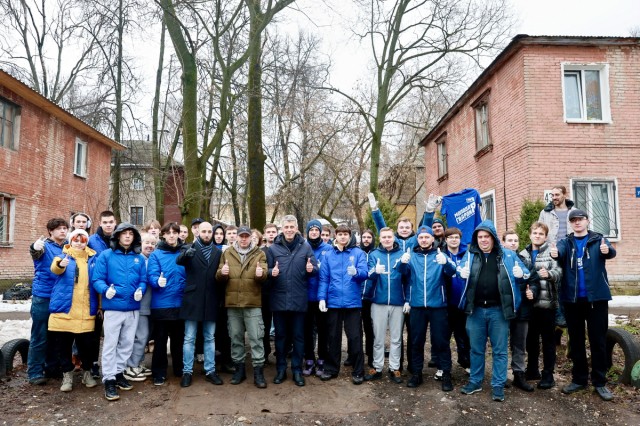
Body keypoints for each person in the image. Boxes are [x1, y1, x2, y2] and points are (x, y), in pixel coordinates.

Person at [458, 220, 528, 402]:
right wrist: (460, 272)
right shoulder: (471, 254)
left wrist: (522, 275)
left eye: (486, 236)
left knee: (500, 350)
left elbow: (526, 273)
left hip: (499, 311)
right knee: (476, 349)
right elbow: (460, 271)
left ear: (493, 238)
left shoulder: (508, 255)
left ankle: (498, 385)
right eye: (480, 237)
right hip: (476, 310)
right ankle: (475, 381)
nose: (483, 240)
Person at [550, 209, 616, 401]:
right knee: (577, 342)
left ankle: (600, 382)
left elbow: (610, 251)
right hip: (572, 301)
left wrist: (608, 251)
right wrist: (555, 253)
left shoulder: (598, 239)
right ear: (570, 223)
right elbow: (558, 252)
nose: (577, 222)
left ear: (587, 221)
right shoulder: (566, 242)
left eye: (580, 219)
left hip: (597, 300)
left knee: (598, 341)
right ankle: (579, 379)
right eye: (574, 220)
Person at [91, 223, 147, 401]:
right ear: (117, 236)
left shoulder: (138, 258)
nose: (128, 237)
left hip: (132, 308)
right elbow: (97, 278)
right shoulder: (106, 256)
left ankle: (118, 372)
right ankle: (108, 379)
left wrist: (141, 290)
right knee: (110, 344)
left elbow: (143, 280)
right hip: (113, 308)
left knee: (127, 344)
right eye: (124, 234)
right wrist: (105, 289)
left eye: (131, 234)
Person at [400, 226, 456, 391]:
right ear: (418, 239)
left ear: (433, 239)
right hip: (417, 306)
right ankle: (417, 373)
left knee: (441, 342)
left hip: (438, 306)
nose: (424, 240)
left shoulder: (440, 255)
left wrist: (446, 263)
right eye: (421, 237)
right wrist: (402, 262)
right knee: (416, 342)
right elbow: (402, 274)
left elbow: (453, 272)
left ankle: (446, 374)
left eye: (427, 237)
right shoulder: (412, 256)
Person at [267, 215, 317, 386]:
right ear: (282, 229)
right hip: (279, 300)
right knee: (280, 337)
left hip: (298, 300)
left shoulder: (305, 247)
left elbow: (315, 268)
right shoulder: (273, 249)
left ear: (296, 228)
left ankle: (296, 370)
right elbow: (266, 272)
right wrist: (269, 273)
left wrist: (311, 269)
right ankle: (281, 370)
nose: (289, 230)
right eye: (286, 227)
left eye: (292, 227)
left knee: (298, 337)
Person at [217, 226, 268, 388]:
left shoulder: (259, 253)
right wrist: (222, 273)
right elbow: (218, 276)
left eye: (247, 236)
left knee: (256, 338)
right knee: (236, 338)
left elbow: (265, 274)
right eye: (241, 236)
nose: (244, 239)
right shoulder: (227, 253)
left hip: (252, 303)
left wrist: (262, 275)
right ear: (237, 237)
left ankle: (258, 372)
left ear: (251, 238)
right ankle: (239, 370)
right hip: (233, 304)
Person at [49, 229, 98, 392]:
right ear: (70, 241)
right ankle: (67, 375)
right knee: (63, 347)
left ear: (86, 241)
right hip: (65, 312)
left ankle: (87, 373)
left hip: (86, 312)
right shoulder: (62, 257)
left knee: (87, 347)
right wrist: (60, 265)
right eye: (75, 239)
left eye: (83, 239)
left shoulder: (94, 259)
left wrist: (100, 306)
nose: (79, 242)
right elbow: (55, 269)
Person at [317, 225, 368, 385]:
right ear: (336, 236)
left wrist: (357, 273)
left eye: (346, 234)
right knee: (333, 337)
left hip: (352, 303)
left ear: (350, 236)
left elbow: (364, 274)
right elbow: (324, 278)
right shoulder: (328, 255)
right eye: (340, 234)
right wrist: (322, 298)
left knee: (355, 337)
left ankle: (358, 370)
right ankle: (331, 368)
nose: (343, 237)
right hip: (333, 302)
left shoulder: (358, 253)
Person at [176, 222, 223, 387]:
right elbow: (179, 260)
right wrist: (186, 254)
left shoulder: (218, 252)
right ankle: (187, 371)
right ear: (197, 233)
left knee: (210, 337)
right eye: (204, 231)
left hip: (211, 298)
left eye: (209, 231)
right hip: (192, 299)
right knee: (189, 338)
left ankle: (210, 370)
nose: (207, 234)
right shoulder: (189, 249)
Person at [520, 222, 562, 390]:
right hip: (529, 305)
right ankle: (532, 370)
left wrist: (550, 274)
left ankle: (548, 375)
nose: (537, 236)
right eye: (535, 233)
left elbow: (559, 273)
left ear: (545, 236)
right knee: (531, 340)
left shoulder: (551, 253)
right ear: (530, 235)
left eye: (541, 233)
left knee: (548, 342)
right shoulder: (523, 254)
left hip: (546, 305)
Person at [28, 218, 69, 385]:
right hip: (43, 296)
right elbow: (35, 252)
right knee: (40, 334)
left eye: (65, 228)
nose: (62, 231)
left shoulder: (68, 247)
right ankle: (35, 371)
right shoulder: (43, 246)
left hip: (60, 296)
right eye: (59, 229)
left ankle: (52, 367)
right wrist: (34, 247)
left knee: (56, 334)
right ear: (50, 231)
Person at [363, 227, 406, 384]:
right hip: (379, 301)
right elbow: (368, 276)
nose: (387, 239)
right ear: (380, 239)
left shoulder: (402, 254)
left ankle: (395, 368)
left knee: (396, 338)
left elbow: (408, 277)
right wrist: (375, 271)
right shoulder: (374, 255)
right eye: (384, 237)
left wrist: (407, 299)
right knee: (378, 337)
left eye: (389, 236)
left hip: (398, 302)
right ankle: (377, 367)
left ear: (393, 238)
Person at [147, 222, 186, 386]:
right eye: (168, 232)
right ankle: (159, 372)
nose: (171, 235)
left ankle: (179, 369)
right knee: (161, 341)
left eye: (174, 232)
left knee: (179, 340)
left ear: (178, 234)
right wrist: (157, 281)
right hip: (162, 304)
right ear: (163, 235)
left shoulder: (185, 252)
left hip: (181, 303)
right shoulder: (156, 254)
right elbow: (151, 275)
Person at [502, 230, 538, 393]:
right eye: (509, 240)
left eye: (515, 240)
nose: (513, 243)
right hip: (502, 309)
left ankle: (519, 375)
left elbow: (534, 280)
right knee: (500, 343)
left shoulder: (525, 260)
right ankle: (500, 375)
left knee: (519, 344)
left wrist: (533, 292)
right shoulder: (498, 260)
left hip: (522, 309)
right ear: (503, 242)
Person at [124, 232, 157, 382]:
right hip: (140, 305)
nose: (150, 246)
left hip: (150, 305)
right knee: (141, 336)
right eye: (147, 242)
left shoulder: (153, 260)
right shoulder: (137, 260)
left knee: (145, 336)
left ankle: (139, 362)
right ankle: (131, 365)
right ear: (140, 244)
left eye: (153, 243)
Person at [303, 220, 332, 377]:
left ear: (320, 232)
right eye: (311, 230)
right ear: (307, 232)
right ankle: (308, 358)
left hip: (323, 297)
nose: (314, 232)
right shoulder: (303, 247)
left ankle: (322, 359)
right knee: (307, 330)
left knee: (323, 330)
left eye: (316, 230)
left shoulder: (328, 249)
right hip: (306, 296)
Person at [442, 227, 470, 373]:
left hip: (463, 302)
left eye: (456, 237)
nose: (454, 240)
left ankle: (465, 362)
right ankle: (443, 366)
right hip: (446, 303)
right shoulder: (440, 255)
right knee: (444, 336)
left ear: (460, 239)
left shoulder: (467, 255)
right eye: (450, 237)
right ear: (445, 240)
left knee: (463, 336)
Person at [261, 223, 278, 362]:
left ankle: (280, 351)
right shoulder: (261, 251)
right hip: (265, 293)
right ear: (265, 234)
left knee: (280, 325)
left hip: (279, 292)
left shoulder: (282, 249)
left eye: (273, 231)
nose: (271, 234)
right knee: (265, 326)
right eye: (269, 232)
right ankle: (265, 352)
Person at [359, 229, 376, 369]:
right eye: (364, 237)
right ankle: (355, 355)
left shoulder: (376, 253)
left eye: (368, 237)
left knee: (370, 328)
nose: (366, 239)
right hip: (357, 297)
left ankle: (371, 355)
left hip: (372, 297)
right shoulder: (357, 253)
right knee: (356, 329)